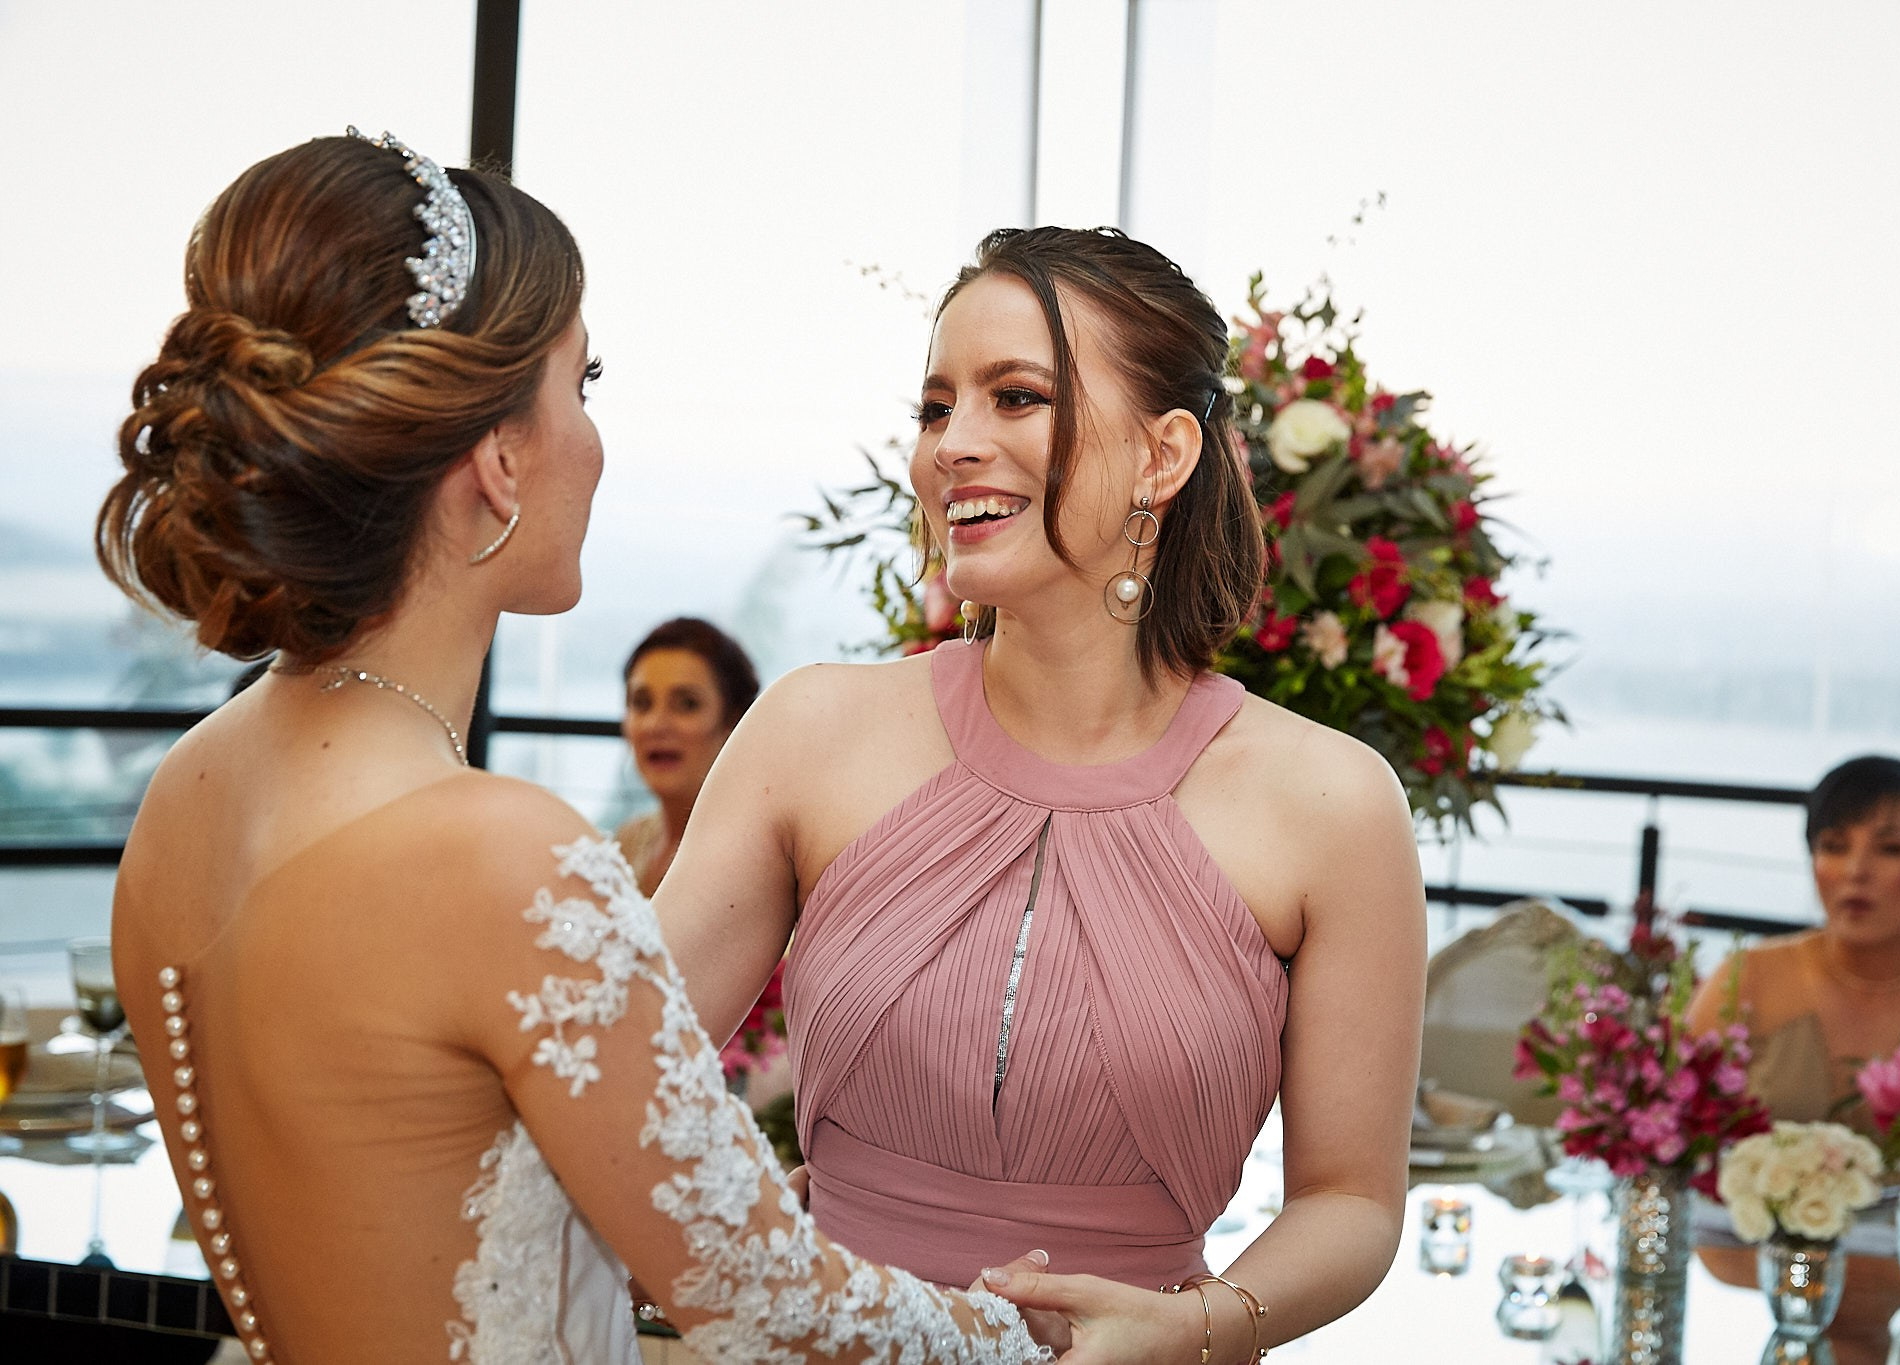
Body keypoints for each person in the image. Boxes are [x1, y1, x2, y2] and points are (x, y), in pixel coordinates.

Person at [94, 130, 1057, 1364]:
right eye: (581, 386)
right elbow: (767, 1304)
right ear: (497, 460)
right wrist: (1033, 1334)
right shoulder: (498, 852)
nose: (595, 438)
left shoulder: (190, 788)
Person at [658, 225, 1428, 1359]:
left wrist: (1199, 1329)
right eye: (934, 408)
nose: (951, 446)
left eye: (1014, 397)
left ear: (1163, 457)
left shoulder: (1331, 805)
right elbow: (612, 1070)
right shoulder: (811, 730)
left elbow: (1351, 1202)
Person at [1687, 755, 1900, 1123]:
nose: (1856, 871)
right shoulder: (1745, 980)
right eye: (1834, 846)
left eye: (1890, 849)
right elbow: (1680, 1127)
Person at [615, 617, 760, 896]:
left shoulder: (754, 861)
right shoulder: (627, 843)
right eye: (641, 703)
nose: (655, 725)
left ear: (733, 721)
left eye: (687, 704)